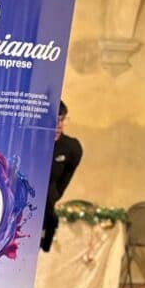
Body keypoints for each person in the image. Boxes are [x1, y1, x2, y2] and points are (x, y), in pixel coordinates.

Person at [41, 100, 83, 252]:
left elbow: (62, 183)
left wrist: (51, 197)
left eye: (62, 120)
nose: (58, 125)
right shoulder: (32, 143)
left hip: (46, 213)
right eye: (54, 120)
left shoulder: (71, 148)